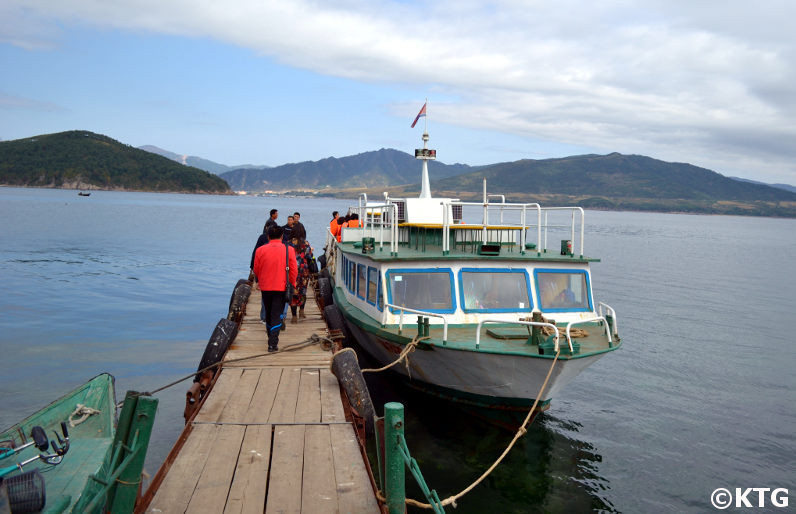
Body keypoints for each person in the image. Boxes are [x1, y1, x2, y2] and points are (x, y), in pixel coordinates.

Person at [253, 225, 297, 352]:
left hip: (265, 286)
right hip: (281, 286)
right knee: (276, 314)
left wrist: (260, 280)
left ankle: (271, 338)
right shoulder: (289, 250)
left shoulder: (260, 250)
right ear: (282, 236)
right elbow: (293, 270)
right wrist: (292, 284)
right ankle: (272, 343)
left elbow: (256, 269)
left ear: (268, 236)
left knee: (268, 312)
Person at [289, 237, 313, 323]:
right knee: (303, 291)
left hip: (292, 271)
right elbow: (310, 257)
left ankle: (294, 316)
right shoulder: (306, 244)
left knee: (293, 293)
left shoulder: (289, 244)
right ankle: (302, 311)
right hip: (304, 272)